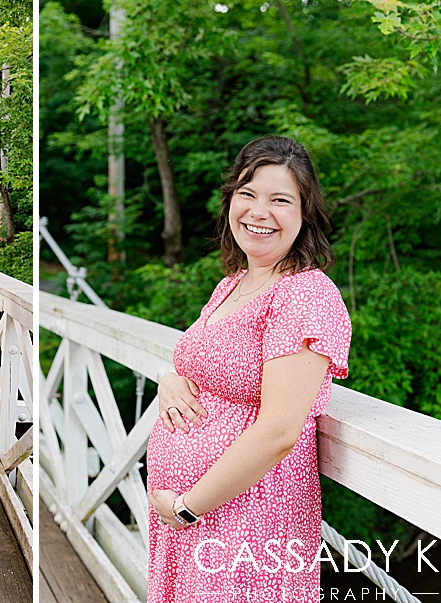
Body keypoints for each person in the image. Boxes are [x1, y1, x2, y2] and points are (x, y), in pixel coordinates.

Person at [146, 135, 352, 602]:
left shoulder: (304, 295)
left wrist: (186, 508)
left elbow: (280, 430)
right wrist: (171, 378)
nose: (259, 211)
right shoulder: (232, 284)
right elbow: (204, 361)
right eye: (248, 194)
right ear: (230, 202)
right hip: (194, 515)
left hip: (248, 516)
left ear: (305, 214)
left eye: (280, 199)